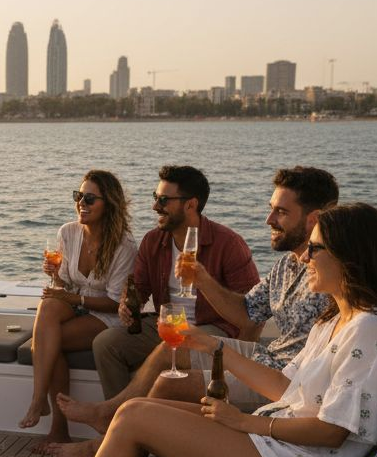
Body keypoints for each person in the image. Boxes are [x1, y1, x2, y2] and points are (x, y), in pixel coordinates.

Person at [70, 202, 377, 457]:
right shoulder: (334, 318)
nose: (304, 257)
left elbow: (333, 432)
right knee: (137, 408)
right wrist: (213, 345)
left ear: (350, 258)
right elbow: (286, 386)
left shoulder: (372, 329)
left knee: (134, 418)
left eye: (315, 249)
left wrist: (244, 422)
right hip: (280, 442)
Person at [50, 166, 344, 457]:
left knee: (168, 383)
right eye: (270, 209)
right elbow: (247, 309)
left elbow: (247, 326)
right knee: (143, 349)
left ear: (313, 219)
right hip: (265, 357)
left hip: (279, 373)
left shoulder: (336, 277)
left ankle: (111, 446)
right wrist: (200, 278)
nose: (269, 220)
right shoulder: (288, 264)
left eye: (280, 212)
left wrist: (229, 368)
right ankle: (114, 429)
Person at [91, 165, 260, 399]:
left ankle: (127, 418)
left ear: (190, 204)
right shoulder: (153, 240)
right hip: (169, 321)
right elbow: (139, 288)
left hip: (213, 327)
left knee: (175, 346)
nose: (155, 206)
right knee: (105, 344)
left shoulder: (228, 244)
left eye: (163, 200)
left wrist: (240, 364)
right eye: (155, 197)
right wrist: (127, 305)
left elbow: (253, 309)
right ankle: (121, 422)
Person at [19, 170, 138, 449]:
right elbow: (66, 285)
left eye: (89, 198)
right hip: (75, 304)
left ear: (108, 203)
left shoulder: (124, 246)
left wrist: (75, 301)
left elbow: (114, 302)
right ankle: (39, 402)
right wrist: (56, 276)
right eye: (78, 196)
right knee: (48, 305)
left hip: (106, 315)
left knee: (49, 342)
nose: (81, 203)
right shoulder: (68, 232)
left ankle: (54, 424)